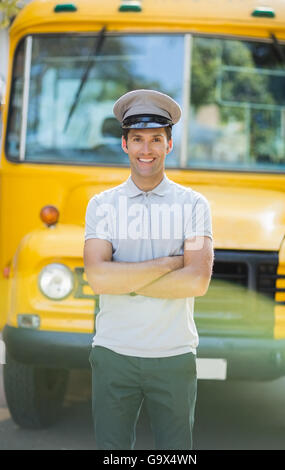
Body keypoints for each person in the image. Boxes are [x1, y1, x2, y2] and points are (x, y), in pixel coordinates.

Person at [84, 89, 214, 450]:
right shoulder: (102, 206)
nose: (147, 149)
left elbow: (197, 281)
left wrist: (122, 278)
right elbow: (97, 277)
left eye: (156, 139)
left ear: (169, 144)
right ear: (124, 144)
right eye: (137, 139)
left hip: (173, 356)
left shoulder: (193, 206)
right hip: (113, 355)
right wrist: (169, 263)